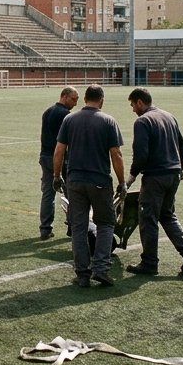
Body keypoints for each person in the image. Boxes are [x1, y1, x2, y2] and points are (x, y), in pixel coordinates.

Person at [52, 84, 127, 287]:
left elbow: (59, 151)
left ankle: (82, 274)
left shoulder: (70, 120)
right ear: (101, 100)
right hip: (100, 181)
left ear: (85, 99)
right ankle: (101, 269)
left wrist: (57, 176)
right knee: (105, 224)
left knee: (78, 226)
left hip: (75, 181)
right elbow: (116, 154)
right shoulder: (108, 121)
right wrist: (122, 182)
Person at [123, 87, 183, 276]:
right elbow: (182, 147)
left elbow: (141, 154)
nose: (133, 109)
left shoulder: (143, 121)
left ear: (140, 102)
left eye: (133, 105)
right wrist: (180, 168)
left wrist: (132, 175)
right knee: (167, 215)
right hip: (173, 175)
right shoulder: (169, 116)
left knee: (147, 218)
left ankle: (149, 263)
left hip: (155, 177)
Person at [38, 86, 79, 240]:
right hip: (60, 159)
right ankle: (72, 227)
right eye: (73, 99)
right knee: (71, 194)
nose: (75, 103)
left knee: (48, 194)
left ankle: (45, 229)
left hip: (45, 156)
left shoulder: (47, 112)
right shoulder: (66, 115)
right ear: (64, 96)